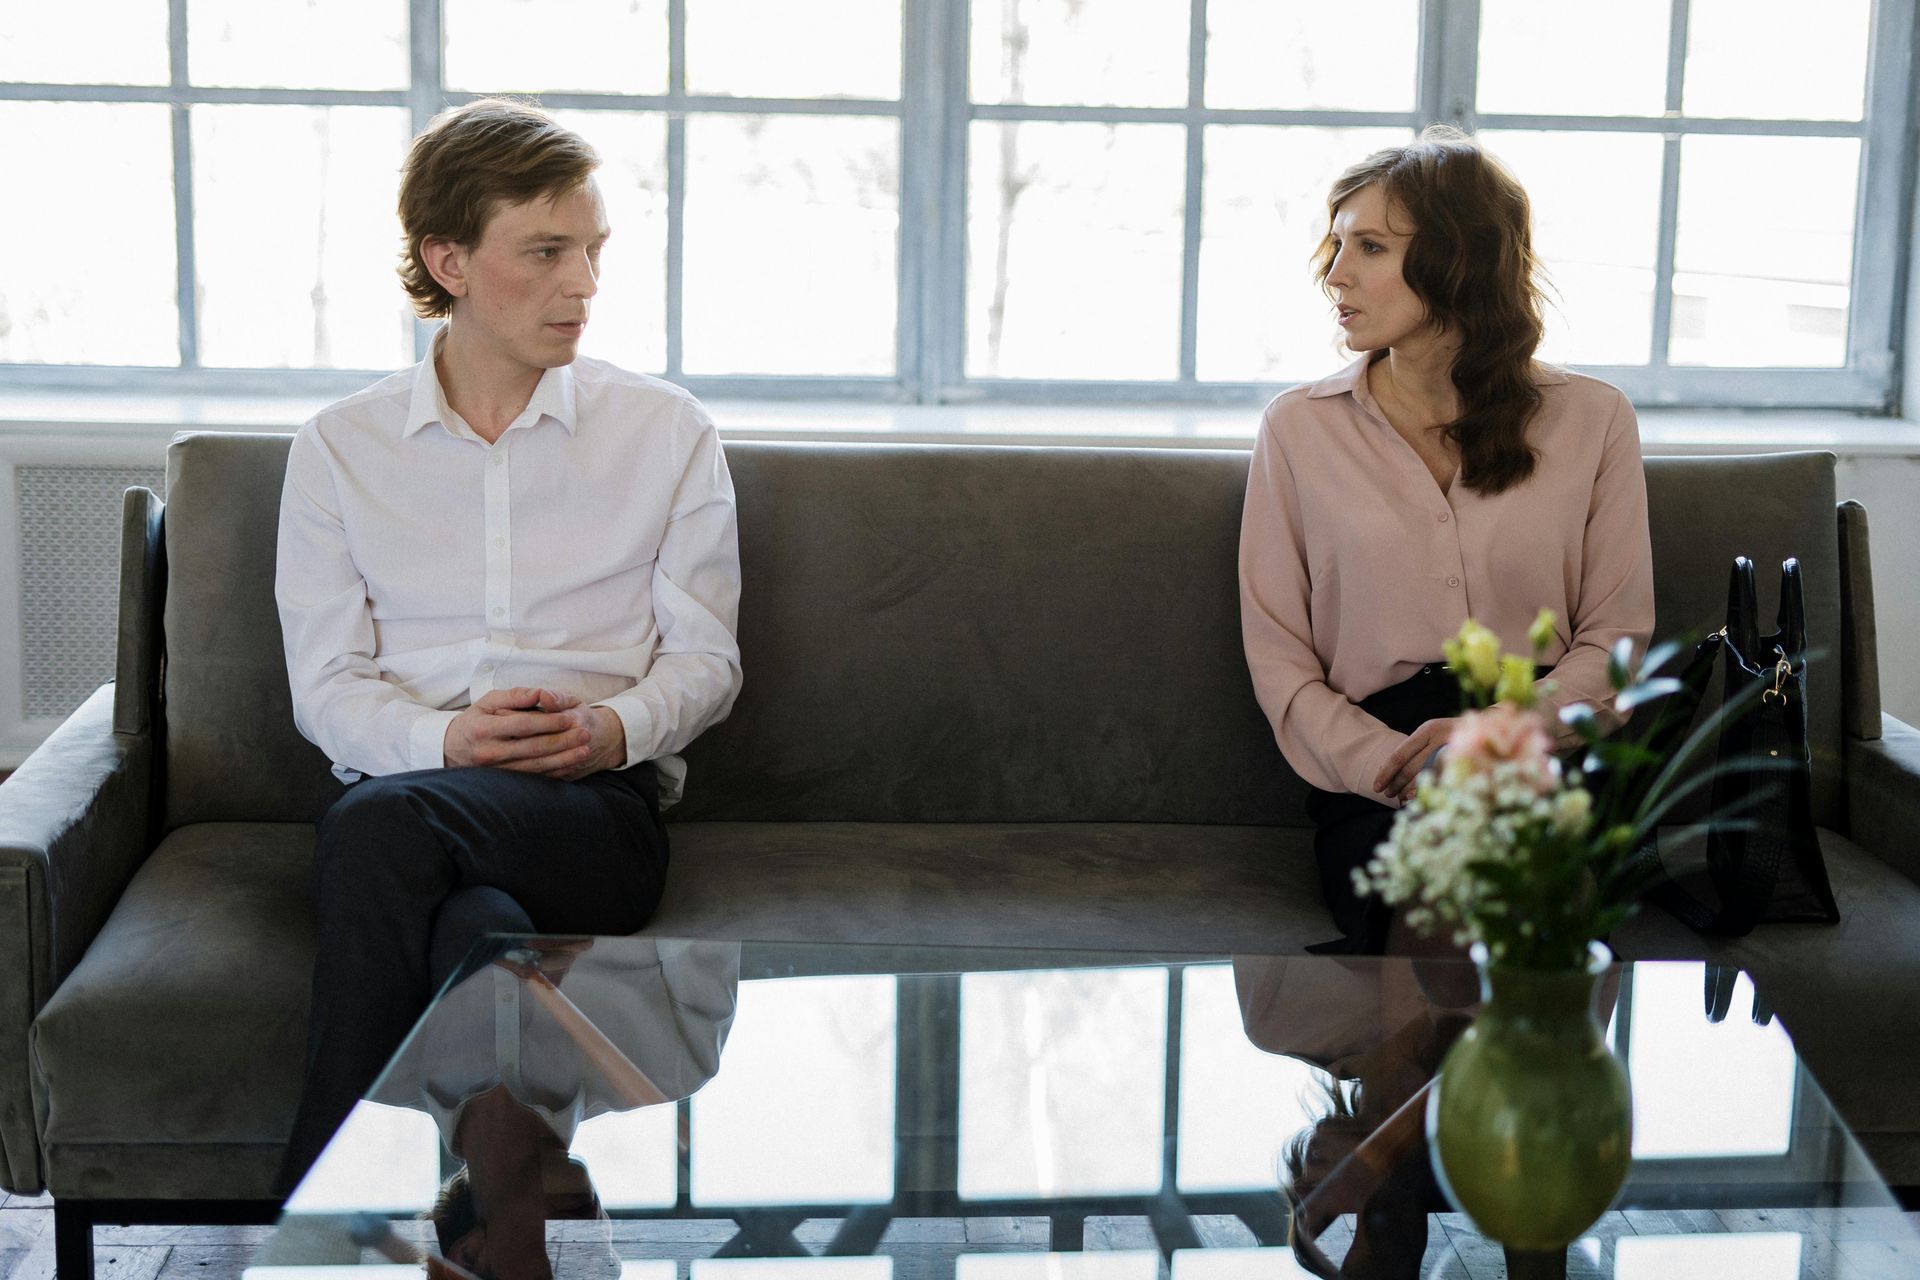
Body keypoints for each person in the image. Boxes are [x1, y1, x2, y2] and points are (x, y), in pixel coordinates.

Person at [273, 97, 743, 1189]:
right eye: (546, 251)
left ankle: (310, 1206)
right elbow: (327, 683)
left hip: (594, 813)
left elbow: (706, 660)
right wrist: (445, 741)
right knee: (477, 927)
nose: (584, 282)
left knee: (380, 833)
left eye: (592, 250)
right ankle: (509, 1224)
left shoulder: (667, 432)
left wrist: (607, 726)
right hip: (405, 790)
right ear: (448, 260)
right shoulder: (340, 450)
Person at [1237, 126, 1653, 955]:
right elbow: (1280, 662)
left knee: (1530, 897)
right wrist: (1392, 765)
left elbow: (1616, 643)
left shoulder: (1594, 420)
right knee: (1436, 901)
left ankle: (1517, 1071)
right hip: (1381, 771)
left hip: (1545, 756)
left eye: (1371, 247)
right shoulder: (1298, 429)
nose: (1336, 273)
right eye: (1338, 245)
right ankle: (1416, 1079)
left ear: (1458, 261)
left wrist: (1499, 738)